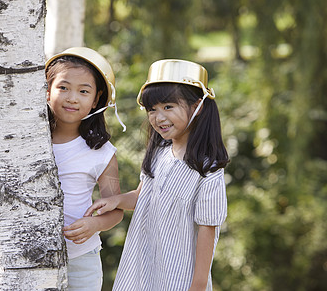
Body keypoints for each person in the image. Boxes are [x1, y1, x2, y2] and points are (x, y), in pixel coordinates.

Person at [0, 47, 125, 291]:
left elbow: (116, 209)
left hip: (80, 259)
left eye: (84, 91)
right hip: (27, 257)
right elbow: (6, 186)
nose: (72, 98)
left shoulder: (102, 152)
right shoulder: (25, 141)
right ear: (47, 90)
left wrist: (95, 225)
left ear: (96, 100)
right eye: (63, 87)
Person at [85, 59, 230, 290]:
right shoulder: (159, 153)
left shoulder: (208, 171)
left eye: (168, 107)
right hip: (142, 267)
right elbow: (142, 196)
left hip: (179, 276)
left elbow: (207, 229)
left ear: (197, 107)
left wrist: (199, 284)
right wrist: (116, 201)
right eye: (152, 109)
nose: (158, 117)